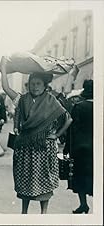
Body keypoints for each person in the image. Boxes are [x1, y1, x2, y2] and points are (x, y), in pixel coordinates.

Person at [0, 56, 73, 214]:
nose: (35, 87)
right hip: (25, 148)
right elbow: (6, 87)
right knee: (25, 181)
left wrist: (56, 135)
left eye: (38, 83)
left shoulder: (51, 100)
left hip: (44, 149)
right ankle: (24, 212)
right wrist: (4, 67)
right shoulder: (22, 99)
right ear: (28, 85)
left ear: (45, 85)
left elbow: (68, 119)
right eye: (32, 84)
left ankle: (43, 213)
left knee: (44, 180)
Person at [66, 80, 93, 214]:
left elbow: (72, 130)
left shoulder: (79, 106)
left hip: (81, 149)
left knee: (80, 176)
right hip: (97, 149)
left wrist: (67, 148)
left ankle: (83, 204)